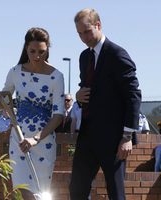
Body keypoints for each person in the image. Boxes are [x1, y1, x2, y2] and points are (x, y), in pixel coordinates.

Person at [69, 8, 141, 200]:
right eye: (79, 33)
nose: (83, 37)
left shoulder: (117, 54)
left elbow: (133, 95)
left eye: (87, 31)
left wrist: (127, 136)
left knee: (115, 192)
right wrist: (78, 95)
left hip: (114, 139)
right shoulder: (84, 57)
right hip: (87, 136)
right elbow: (86, 88)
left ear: (98, 25)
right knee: (76, 189)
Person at [0, 27, 64, 199]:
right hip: (19, 140)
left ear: (48, 49)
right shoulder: (15, 72)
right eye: (32, 51)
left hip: (43, 141)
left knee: (40, 194)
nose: (36, 56)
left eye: (42, 52)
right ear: (26, 48)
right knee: (22, 191)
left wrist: (35, 139)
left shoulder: (57, 76)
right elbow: (3, 103)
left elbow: (59, 115)